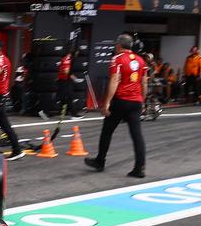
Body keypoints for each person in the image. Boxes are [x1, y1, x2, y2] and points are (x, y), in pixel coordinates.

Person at [85, 34, 148, 178]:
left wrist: (106, 103)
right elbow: (144, 83)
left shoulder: (117, 59)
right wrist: (142, 102)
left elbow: (114, 81)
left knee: (107, 131)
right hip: (136, 102)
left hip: (121, 101)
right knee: (137, 135)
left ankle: (100, 161)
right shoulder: (141, 60)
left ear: (119, 45)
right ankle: (140, 168)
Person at [55, 48, 85, 119]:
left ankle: (61, 112)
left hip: (63, 81)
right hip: (64, 81)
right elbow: (66, 71)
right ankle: (74, 115)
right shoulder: (67, 59)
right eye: (77, 53)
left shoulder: (67, 59)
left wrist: (75, 79)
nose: (77, 55)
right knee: (70, 97)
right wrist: (75, 79)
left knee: (62, 97)